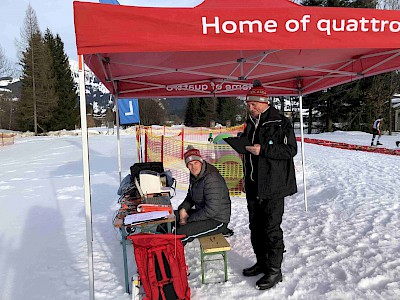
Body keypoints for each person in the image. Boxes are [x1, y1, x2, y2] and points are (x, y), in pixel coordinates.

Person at [241, 80, 297, 290]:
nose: (250, 107)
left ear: (263, 102)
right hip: (254, 185)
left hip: (273, 187)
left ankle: (275, 271)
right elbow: (249, 151)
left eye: (252, 104)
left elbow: (290, 151)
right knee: (255, 227)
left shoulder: (281, 122)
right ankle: (262, 262)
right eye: (248, 104)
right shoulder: (250, 123)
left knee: (271, 229)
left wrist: (262, 149)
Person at [174, 146, 233, 245]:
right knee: (173, 217)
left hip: (217, 220)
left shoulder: (211, 178)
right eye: (190, 164)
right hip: (204, 214)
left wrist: (188, 219)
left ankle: (169, 259)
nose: (194, 167)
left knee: (181, 233)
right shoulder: (195, 175)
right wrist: (183, 210)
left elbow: (212, 210)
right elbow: (190, 197)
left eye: (196, 163)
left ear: (201, 162)